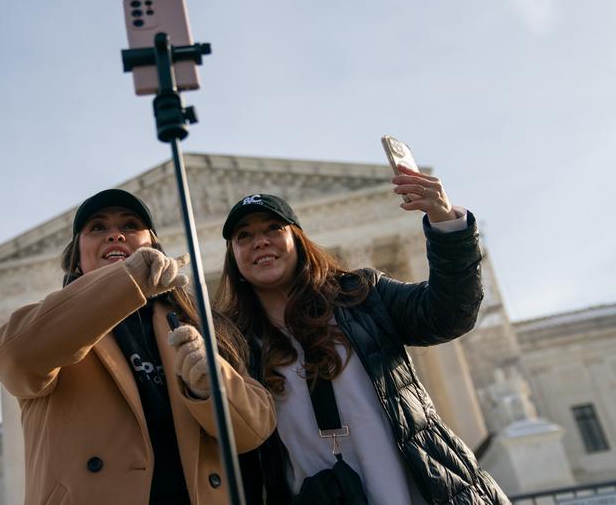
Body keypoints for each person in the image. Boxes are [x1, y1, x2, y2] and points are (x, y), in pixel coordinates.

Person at [214, 166, 509, 504]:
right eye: (243, 236)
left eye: (273, 228)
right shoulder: (232, 346)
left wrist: (447, 225)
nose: (260, 241)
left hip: (420, 492)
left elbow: (449, 314)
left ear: (298, 239)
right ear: (233, 257)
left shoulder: (363, 296)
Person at [0, 189, 276, 505]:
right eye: (97, 228)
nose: (116, 235)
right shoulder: (53, 328)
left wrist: (211, 385)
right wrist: (130, 277)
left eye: (131, 225)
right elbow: (11, 357)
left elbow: (254, 430)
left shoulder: (200, 325)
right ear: (77, 259)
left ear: (155, 247)